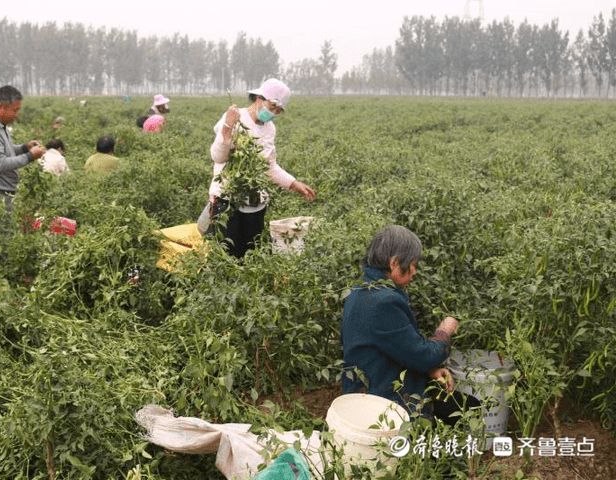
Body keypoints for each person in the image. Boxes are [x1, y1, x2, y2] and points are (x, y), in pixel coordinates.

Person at [341, 225, 480, 426]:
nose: (414, 271)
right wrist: (444, 331)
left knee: (461, 405)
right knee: (468, 410)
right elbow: (424, 356)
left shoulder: (359, 291)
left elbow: (392, 348)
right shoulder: (384, 302)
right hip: (384, 402)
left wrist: (429, 371)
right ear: (394, 263)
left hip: (366, 391)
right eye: (412, 264)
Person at [199, 78, 316, 258]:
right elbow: (218, 157)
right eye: (273, 106)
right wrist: (227, 128)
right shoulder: (236, 118)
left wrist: (293, 184)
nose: (274, 112)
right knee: (225, 254)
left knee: (249, 254)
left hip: (254, 202)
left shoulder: (270, 129)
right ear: (260, 98)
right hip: (227, 199)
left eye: (279, 110)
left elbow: (269, 166)